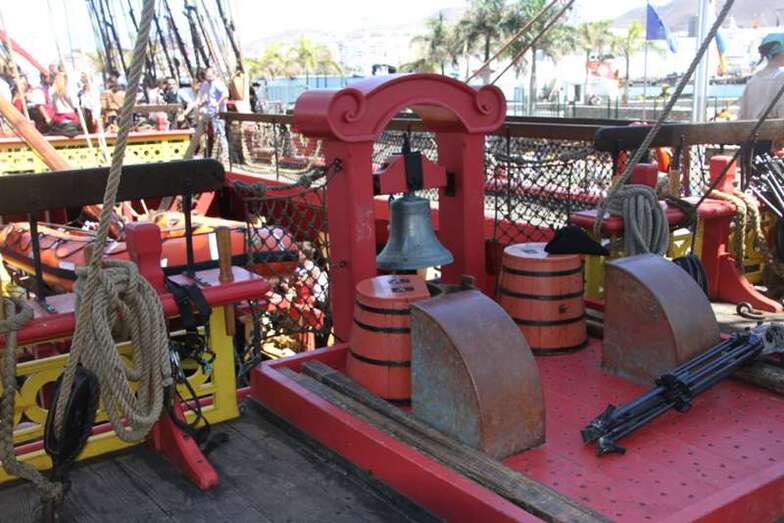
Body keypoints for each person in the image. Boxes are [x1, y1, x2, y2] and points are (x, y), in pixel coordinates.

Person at [738, 33, 784, 160]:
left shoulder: (753, 80)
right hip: (773, 144)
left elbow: (742, 116)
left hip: (750, 142)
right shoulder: (781, 78)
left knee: (751, 172)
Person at [196, 67, 228, 157]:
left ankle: (224, 154)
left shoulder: (217, 83)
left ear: (214, 75)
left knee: (220, 133)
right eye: (207, 76)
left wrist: (218, 104)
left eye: (210, 76)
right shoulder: (206, 84)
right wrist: (200, 103)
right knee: (212, 133)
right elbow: (203, 96)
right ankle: (213, 153)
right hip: (210, 111)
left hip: (218, 112)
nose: (208, 78)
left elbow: (225, 94)